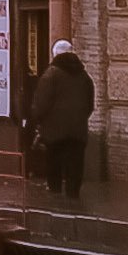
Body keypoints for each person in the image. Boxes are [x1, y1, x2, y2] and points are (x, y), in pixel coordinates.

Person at [29, 37, 97, 206]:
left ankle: (56, 199)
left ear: (55, 55)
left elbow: (41, 103)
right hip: (78, 130)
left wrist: (37, 119)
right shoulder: (84, 76)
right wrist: (79, 119)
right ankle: (74, 197)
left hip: (54, 131)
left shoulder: (51, 75)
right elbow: (90, 104)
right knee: (75, 164)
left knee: (54, 164)